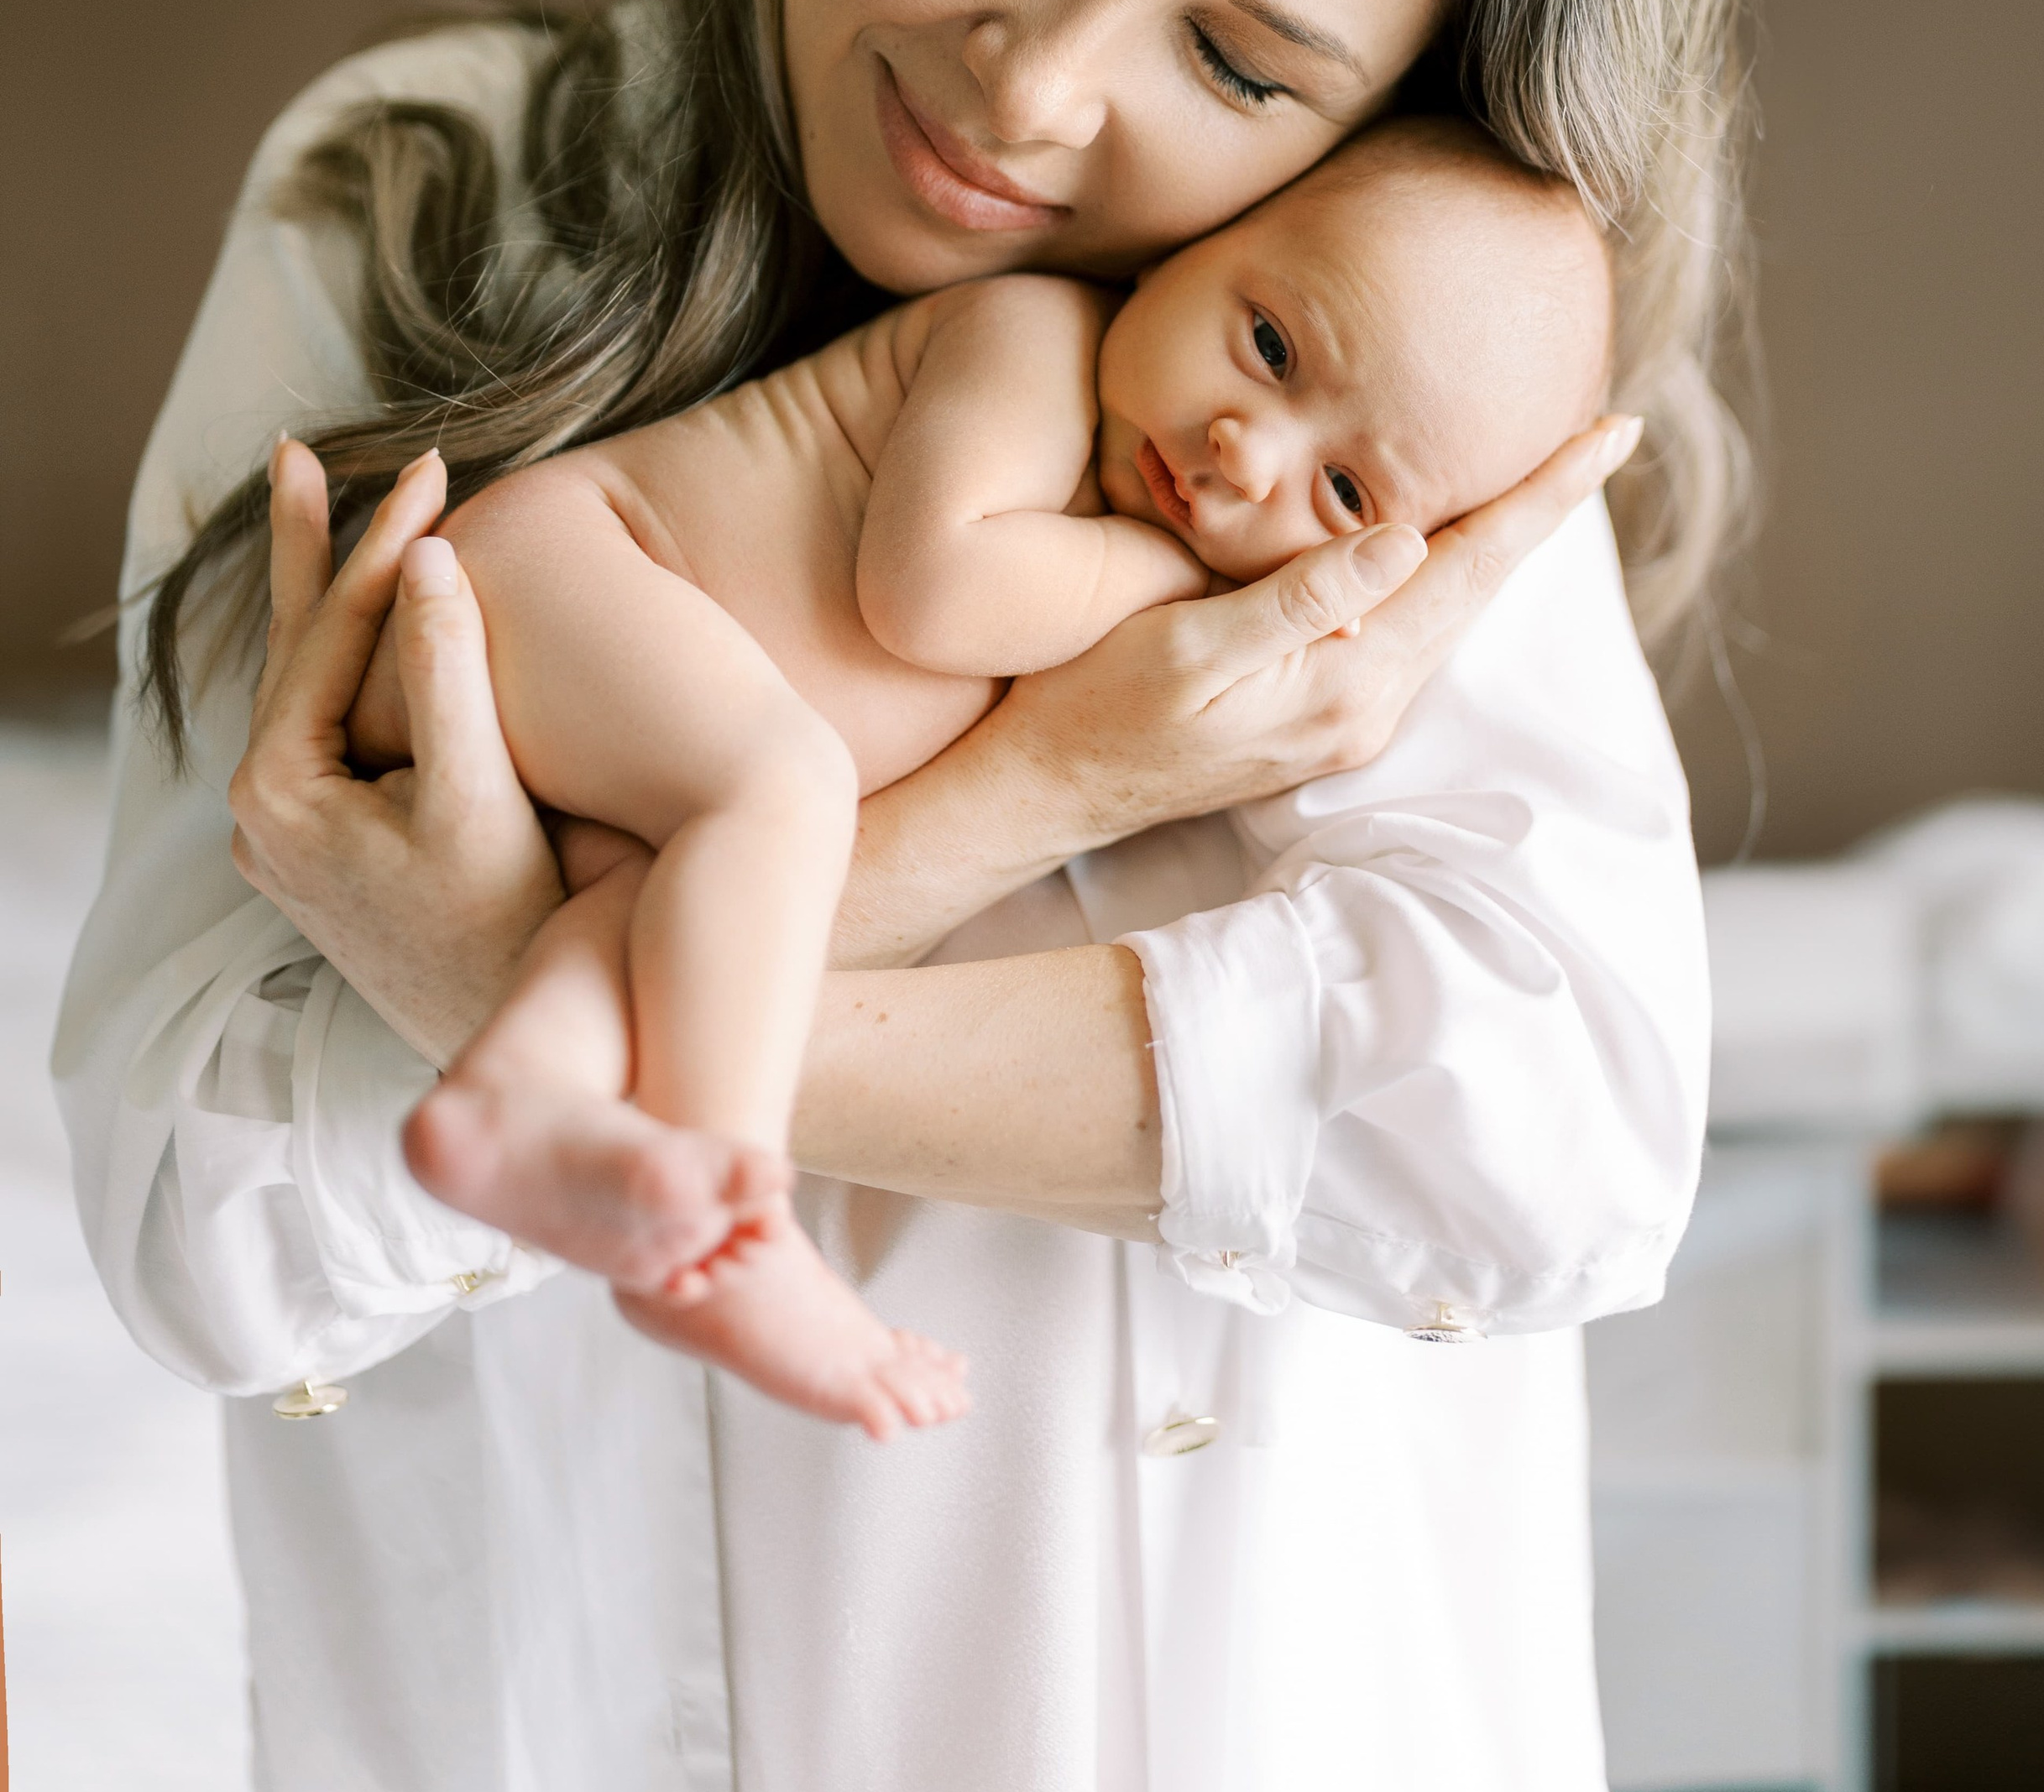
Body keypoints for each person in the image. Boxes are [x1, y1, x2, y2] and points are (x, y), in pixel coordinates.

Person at [59, 0, 1746, 1792]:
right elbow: (213, 1235)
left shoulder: (1381, 352)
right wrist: (1048, 787)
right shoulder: (437, 195)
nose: (1037, 93)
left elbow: (1549, 1143)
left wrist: (523, 996)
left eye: (1236, 61)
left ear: (1384, 116)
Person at [321, 120, 1618, 1429]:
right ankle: (731, 1219)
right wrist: (1174, 580)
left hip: (623, 751)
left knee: (654, 915)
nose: (1247, 449)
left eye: (1341, 492)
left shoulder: (1135, 517)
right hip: (559, 573)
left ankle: (515, 1103)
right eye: (1272, 346)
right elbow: (932, 592)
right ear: (1196, 243)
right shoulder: (1033, 338)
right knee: (785, 793)